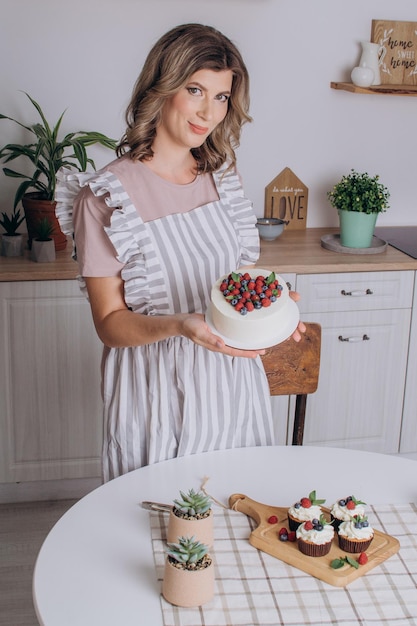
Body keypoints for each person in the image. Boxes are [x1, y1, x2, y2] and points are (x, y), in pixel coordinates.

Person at [57, 23, 305, 482]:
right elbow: (109, 325)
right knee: (159, 533)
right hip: (153, 393)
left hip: (232, 385)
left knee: (238, 516)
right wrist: (180, 325)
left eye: (221, 96)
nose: (208, 112)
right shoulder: (106, 198)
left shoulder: (224, 181)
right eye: (195, 90)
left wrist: (271, 312)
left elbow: (236, 289)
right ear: (162, 86)